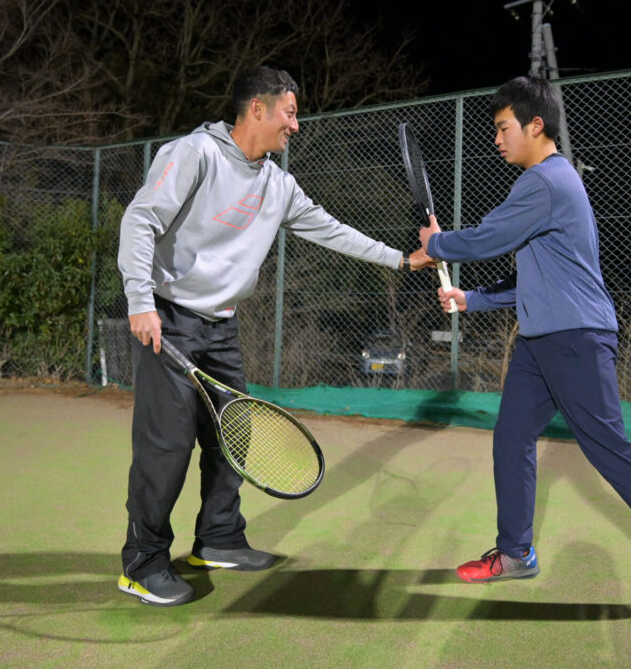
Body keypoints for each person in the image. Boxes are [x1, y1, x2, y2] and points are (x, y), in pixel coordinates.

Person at [413, 75, 631, 619]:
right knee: (512, 437)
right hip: (541, 342)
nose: (497, 139)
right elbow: (536, 277)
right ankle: (515, 553)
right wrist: (472, 299)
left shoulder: (546, 181)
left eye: (504, 128)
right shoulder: (544, 184)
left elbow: (489, 238)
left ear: (536, 125)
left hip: (577, 339)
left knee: (610, 451)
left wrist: (436, 244)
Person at [116, 66, 421, 606]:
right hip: (169, 319)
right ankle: (142, 562)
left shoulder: (278, 185)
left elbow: (330, 229)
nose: (295, 125)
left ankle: (218, 539)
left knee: (233, 436)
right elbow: (140, 221)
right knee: (166, 448)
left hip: (221, 324)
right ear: (257, 109)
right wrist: (140, 301)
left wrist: (401, 259)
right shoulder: (194, 154)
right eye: (290, 112)